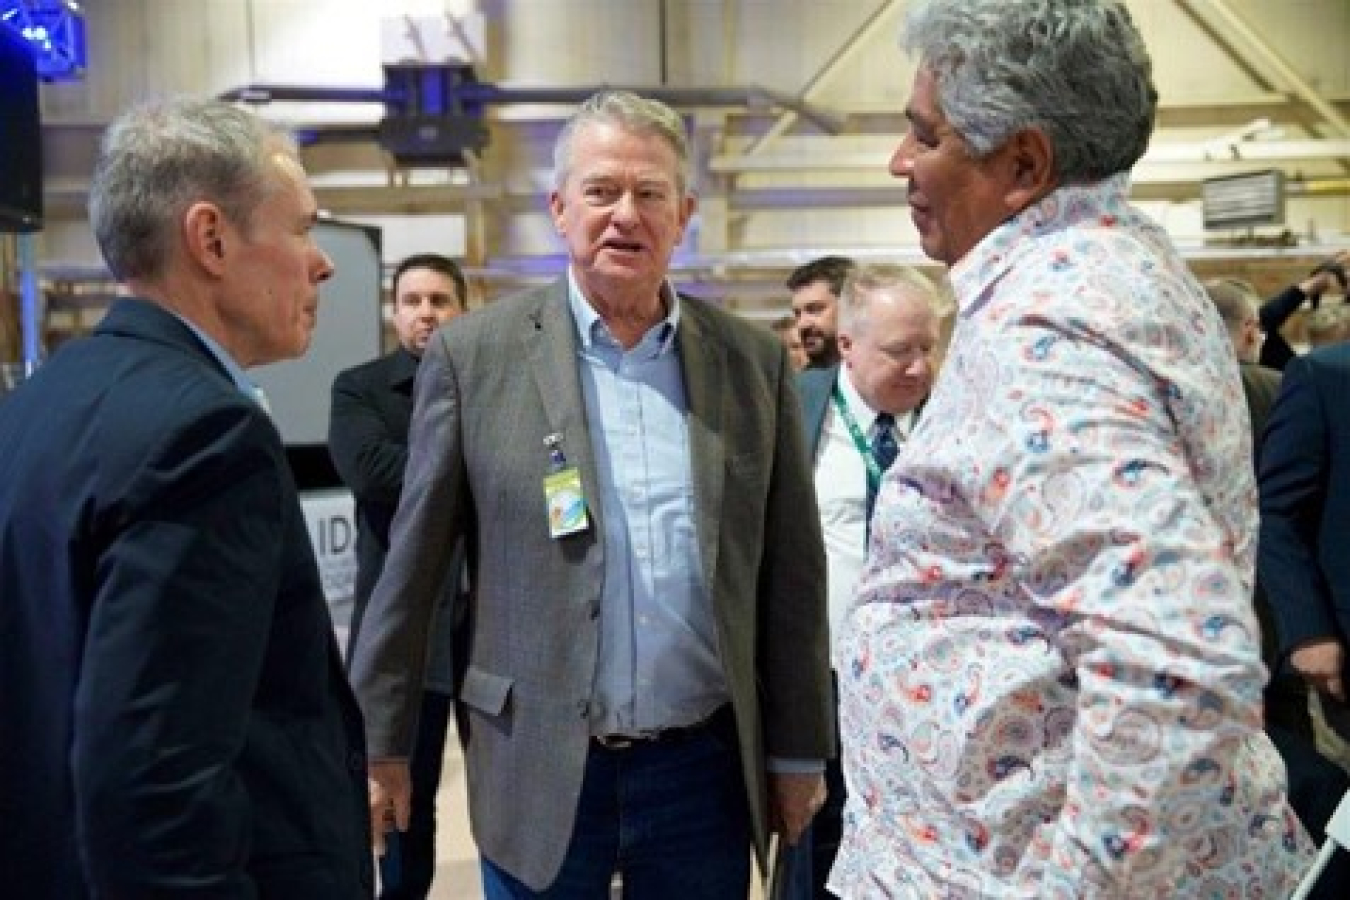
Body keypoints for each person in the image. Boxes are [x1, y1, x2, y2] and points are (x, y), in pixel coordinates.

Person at [830, 2, 1315, 896]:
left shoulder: (1047, 326)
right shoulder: (1111, 265)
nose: (900, 161)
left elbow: (1174, 666)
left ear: (1024, 164)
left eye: (922, 135)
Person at [348, 89, 833, 899]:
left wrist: (797, 750)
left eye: (649, 195)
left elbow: (790, 574)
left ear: (682, 215)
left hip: (701, 774)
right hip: (535, 761)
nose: (625, 215)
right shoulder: (478, 357)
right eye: (602, 191)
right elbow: (415, 567)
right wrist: (381, 742)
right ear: (559, 209)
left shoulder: (750, 363)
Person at [0, 98, 372, 896]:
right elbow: (154, 779)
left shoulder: (39, 403)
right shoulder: (205, 437)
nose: (324, 261)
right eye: (302, 228)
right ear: (210, 239)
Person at [786, 264, 946, 900]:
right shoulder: (793, 409)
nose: (917, 367)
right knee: (821, 851)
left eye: (928, 348)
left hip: (928, 688)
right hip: (823, 683)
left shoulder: (958, 416)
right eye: (899, 351)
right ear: (847, 345)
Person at [329, 252, 469, 900]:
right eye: (413, 300)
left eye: (440, 300)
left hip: (486, 625)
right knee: (397, 795)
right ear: (394, 310)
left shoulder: (489, 385)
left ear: (461, 309)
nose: (426, 313)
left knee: (505, 796)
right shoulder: (359, 388)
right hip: (404, 632)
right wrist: (469, 464)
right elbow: (371, 472)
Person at [1259, 249, 1349, 370]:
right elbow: (1260, 325)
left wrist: (1314, 284)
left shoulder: (1299, 379)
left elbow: (1260, 324)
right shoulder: (1302, 376)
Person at [788, 255, 855, 369]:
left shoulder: (889, 378)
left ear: (851, 307)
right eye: (797, 314)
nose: (802, 324)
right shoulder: (798, 385)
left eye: (814, 309)